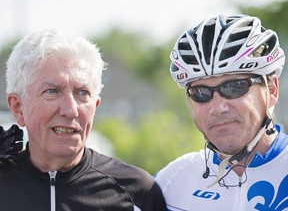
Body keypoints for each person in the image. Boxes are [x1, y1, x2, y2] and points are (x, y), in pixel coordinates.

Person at [1, 30, 166, 211]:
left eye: (82, 93)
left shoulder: (136, 192)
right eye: (52, 91)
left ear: (95, 105)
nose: (71, 110)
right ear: (18, 107)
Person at [154, 14, 288, 210]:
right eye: (200, 93)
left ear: (272, 90)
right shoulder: (173, 180)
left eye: (234, 87)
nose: (217, 108)